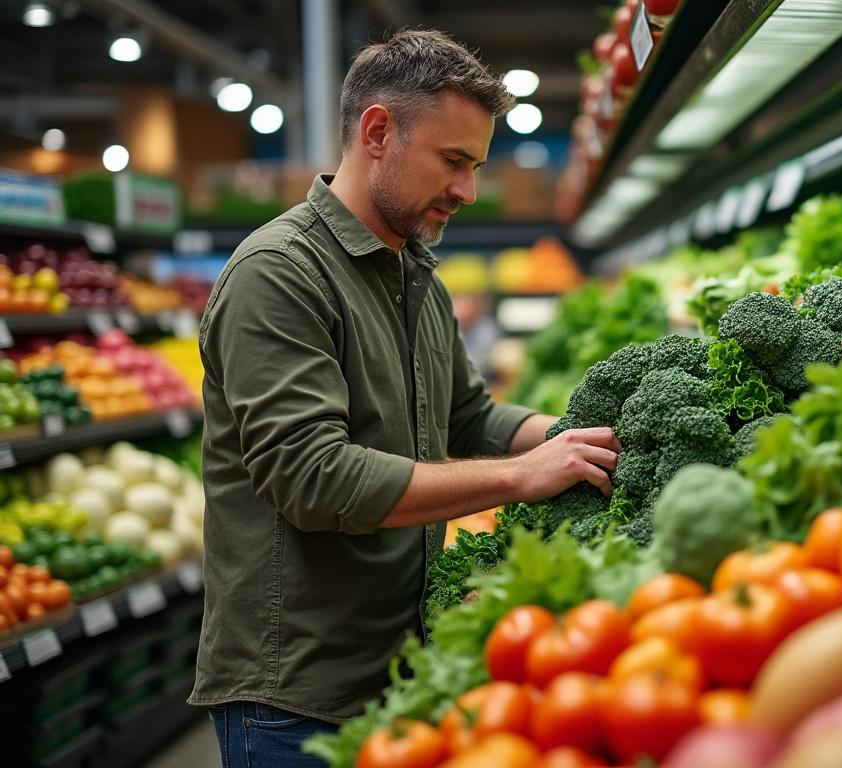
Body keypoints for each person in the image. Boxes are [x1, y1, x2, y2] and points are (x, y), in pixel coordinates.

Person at [188, 29, 620, 767]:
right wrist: (521, 476)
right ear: (378, 132)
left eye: (475, 166)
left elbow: (470, 416)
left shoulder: (413, 272)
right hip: (296, 700)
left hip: (402, 671)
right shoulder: (278, 273)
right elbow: (312, 477)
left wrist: (584, 436)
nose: (468, 192)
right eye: (453, 161)